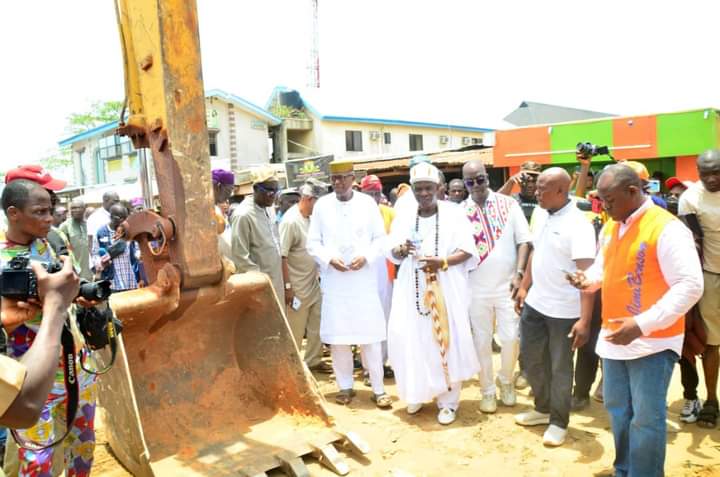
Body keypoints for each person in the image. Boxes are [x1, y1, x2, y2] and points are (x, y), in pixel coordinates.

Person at [568, 164, 703, 476]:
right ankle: (625, 469)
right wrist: (585, 280)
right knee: (618, 410)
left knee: (646, 418)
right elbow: (603, 270)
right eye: (600, 200)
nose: (604, 207)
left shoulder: (666, 228)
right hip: (616, 337)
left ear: (633, 191)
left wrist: (642, 324)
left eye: (609, 200)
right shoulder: (612, 227)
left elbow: (690, 285)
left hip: (653, 341)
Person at [1, 179, 98, 477]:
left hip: (77, 369)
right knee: (37, 461)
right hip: (31, 381)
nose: (49, 218)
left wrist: (78, 294)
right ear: (14, 213)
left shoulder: (50, 243)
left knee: (83, 448)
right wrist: (16, 314)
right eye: (40, 212)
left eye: (51, 211)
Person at [386, 162, 479, 424]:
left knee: (445, 340)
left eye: (428, 188)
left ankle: (448, 402)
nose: (424, 194)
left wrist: (443, 262)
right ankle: (417, 393)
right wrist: (402, 250)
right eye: (419, 189)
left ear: (439, 188)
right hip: (411, 288)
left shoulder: (454, 213)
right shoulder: (404, 215)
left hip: (446, 287)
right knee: (411, 338)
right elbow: (392, 253)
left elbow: (468, 250)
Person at [513, 167, 596, 447]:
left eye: (542, 189)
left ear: (562, 191)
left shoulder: (579, 225)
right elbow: (536, 250)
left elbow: (587, 276)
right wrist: (525, 286)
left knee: (560, 367)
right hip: (536, 303)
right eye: (536, 188)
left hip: (564, 311)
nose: (536, 193)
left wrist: (585, 320)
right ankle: (542, 407)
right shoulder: (541, 213)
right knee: (531, 358)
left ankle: (559, 422)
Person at [307, 160, 391, 409]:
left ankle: (378, 388)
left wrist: (366, 256)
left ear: (353, 178)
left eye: (343, 178)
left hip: (363, 280)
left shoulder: (367, 204)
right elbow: (313, 243)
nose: (338, 183)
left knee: (370, 338)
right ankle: (345, 386)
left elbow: (380, 239)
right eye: (334, 179)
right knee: (339, 338)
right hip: (335, 283)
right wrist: (328, 259)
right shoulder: (322, 206)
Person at [462, 160, 531, 413]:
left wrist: (520, 274)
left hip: (507, 287)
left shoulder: (509, 204)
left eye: (480, 179)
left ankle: (506, 381)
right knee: (481, 341)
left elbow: (524, 241)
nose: (476, 185)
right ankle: (488, 390)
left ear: (487, 178)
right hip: (475, 289)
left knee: (511, 339)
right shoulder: (460, 212)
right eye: (470, 181)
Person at [1, 257, 79, 429]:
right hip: (38, 393)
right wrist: (56, 306)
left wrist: (4, 323)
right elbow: (22, 408)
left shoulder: (54, 242)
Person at [678, 149, 720, 428]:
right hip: (710, 276)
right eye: (705, 174)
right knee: (711, 342)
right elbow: (692, 240)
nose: (711, 178)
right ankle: (711, 400)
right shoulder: (690, 198)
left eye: (716, 172)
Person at [279, 181, 331, 373]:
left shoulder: (311, 219)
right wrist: (287, 288)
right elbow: (282, 256)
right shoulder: (290, 221)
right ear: (308, 200)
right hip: (296, 287)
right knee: (296, 331)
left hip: (312, 283)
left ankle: (313, 360)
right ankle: (292, 368)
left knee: (318, 323)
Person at [230, 166, 285, 298]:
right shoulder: (243, 215)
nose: (273, 196)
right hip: (260, 288)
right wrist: (260, 284)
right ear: (255, 189)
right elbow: (241, 258)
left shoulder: (269, 209)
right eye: (269, 191)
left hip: (276, 282)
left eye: (276, 190)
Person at [92, 204, 142, 291]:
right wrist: (101, 262)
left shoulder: (129, 230)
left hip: (131, 279)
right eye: (121, 218)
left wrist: (139, 255)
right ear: (111, 217)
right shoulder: (101, 232)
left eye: (125, 218)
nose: (124, 221)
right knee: (114, 303)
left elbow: (137, 249)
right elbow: (95, 254)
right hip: (112, 281)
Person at [58, 198, 92, 280]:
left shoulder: (89, 224)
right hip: (75, 274)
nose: (74, 210)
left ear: (84, 209)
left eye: (77, 207)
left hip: (90, 272)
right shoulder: (65, 226)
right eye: (72, 208)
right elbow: (61, 252)